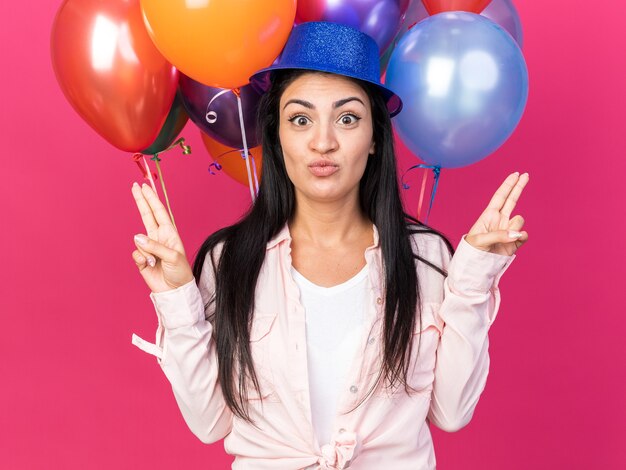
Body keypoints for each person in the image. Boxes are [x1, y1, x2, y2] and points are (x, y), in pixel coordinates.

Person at [130, 21, 529, 470]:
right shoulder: (228, 261)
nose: (323, 142)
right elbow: (208, 422)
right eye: (301, 119)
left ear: (376, 137)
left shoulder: (426, 259)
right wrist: (175, 298)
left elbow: (452, 413)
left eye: (347, 118)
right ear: (277, 138)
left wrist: (474, 281)